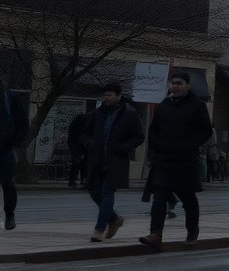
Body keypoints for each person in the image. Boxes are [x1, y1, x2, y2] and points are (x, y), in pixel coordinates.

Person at [139, 71, 213, 250]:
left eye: (178, 83)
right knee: (160, 197)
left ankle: (192, 229)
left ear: (188, 86)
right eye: (172, 83)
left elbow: (205, 130)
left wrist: (189, 145)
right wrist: (156, 145)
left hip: (184, 160)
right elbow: (154, 128)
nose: (174, 86)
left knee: (188, 198)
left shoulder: (197, 105)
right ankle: (156, 234)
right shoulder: (164, 104)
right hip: (163, 159)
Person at [85, 83, 143, 242]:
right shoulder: (97, 113)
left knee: (107, 191)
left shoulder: (129, 114)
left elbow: (139, 136)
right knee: (93, 190)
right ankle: (115, 219)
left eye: (109, 95)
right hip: (97, 159)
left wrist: (125, 147)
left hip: (116, 159)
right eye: (104, 95)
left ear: (118, 95)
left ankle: (99, 230)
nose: (106, 98)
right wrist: (89, 143)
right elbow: (86, 132)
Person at [0, 75, 29, 230]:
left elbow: (22, 122)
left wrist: (16, 142)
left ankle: (9, 214)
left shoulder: (9, 97)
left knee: (7, 183)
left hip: (5, 148)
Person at [66, 110, 91, 189]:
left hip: (78, 147)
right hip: (81, 147)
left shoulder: (76, 126)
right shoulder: (86, 125)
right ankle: (82, 180)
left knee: (77, 164)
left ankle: (73, 182)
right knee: (82, 163)